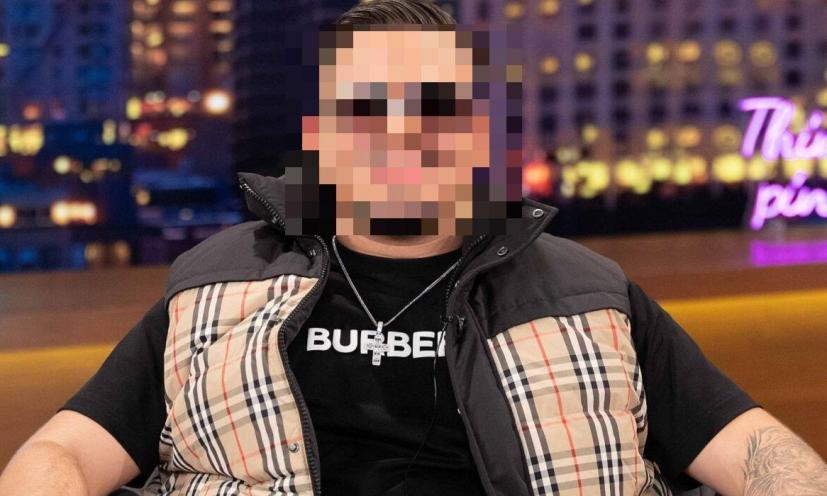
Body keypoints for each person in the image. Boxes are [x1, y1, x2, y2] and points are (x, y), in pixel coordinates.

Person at [2, 1, 827, 495]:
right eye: (367, 108)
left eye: (435, 108)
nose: (401, 133)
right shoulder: (212, 287)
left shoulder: (589, 293)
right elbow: (64, 452)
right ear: (320, 136)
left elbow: (760, 455)